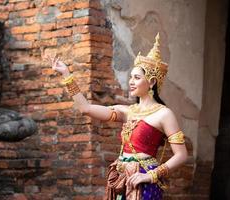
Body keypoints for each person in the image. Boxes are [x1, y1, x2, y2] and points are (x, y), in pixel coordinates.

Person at [42, 33, 188, 200]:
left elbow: (181, 155)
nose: (131, 81)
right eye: (131, 77)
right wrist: (67, 75)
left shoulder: (164, 114)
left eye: (137, 77)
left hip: (143, 180)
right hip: (122, 177)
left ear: (152, 82)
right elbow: (85, 108)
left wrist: (151, 176)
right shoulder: (127, 111)